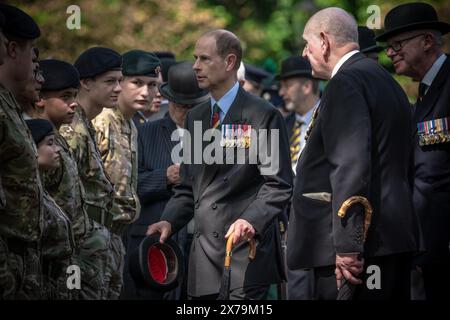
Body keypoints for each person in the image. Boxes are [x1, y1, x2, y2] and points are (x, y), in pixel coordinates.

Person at [147, 29, 292, 300]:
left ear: (229, 62)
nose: (195, 66)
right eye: (195, 58)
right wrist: (168, 220)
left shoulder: (263, 114)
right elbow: (188, 187)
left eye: (204, 58)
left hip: (243, 256)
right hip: (203, 264)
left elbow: (279, 185)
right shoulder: (197, 118)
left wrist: (250, 220)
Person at [288, 7, 421, 300]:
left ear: (324, 41)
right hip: (391, 239)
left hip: (359, 251)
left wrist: (348, 246)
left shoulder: (345, 82)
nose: (303, 52)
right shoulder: (386, 81)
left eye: (306, 43)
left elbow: (349, 166)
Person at [376, 2, 450, 300]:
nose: (390, 53)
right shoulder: (425, 91)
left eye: (397, 44)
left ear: (427, 41)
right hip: (431, 242)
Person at [123, 61, 210, 300]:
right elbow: (127, 186)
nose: (188, 113)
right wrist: (165, 177)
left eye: (194, 106)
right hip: (156, 244)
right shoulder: (144, 133)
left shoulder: (214, 136)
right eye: (183, 107)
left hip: (203, 243)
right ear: (170, 101)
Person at [35, 58, 111, 299]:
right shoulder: (40, 146)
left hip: (78, 250)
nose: (73, 104)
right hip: (56, 257)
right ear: (40, 99)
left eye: (74, 96)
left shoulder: (56, 140)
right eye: (65, 97)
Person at [92, 49, 161, 298]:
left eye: (152, 85)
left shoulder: (131, 123)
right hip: (95, 234)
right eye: (137, 83)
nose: (146, 92)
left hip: (120, 235)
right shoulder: (101, 120)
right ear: (120, 82)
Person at [60, 46, 122, 299]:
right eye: (110, 81)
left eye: (120, 80)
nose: (118, 88)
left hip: (99, 243)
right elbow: (63, 195)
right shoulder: (72, 131)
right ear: (85, 83)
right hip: (81, 249)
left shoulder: (85, 124)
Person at [0, 3, 44, 299]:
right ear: (13, 50)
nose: (33, 62)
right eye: (31, 52)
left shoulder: (10, 106)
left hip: (23, 257)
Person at [277, 55, 320, 299]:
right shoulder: (284, 124)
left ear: (306, 85)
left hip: (322, 223)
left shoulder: (329, 116)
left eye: (287, 85)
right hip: (289, 221)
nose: (281, 92)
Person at [25, 119, 75, 300]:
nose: (58, 149)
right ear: (31, 147)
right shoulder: (25, 195)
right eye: (50, 144)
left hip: (62, 277)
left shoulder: (41, 191)